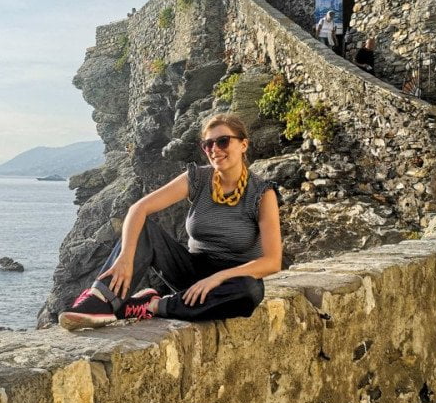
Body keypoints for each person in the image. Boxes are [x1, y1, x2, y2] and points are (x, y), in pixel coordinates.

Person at [58, 114, 282, 330]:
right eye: (208, 144)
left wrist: (217, 278)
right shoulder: (198, 178)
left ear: (243, 144)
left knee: (250, 291)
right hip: (190, 272)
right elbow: (139, 208)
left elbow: (272, 262)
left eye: (223, 141)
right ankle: (100, 300)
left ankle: (155, 305)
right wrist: (126, 257)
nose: (215, 150)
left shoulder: (262, 193)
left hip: (230, 280)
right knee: (144, 229)